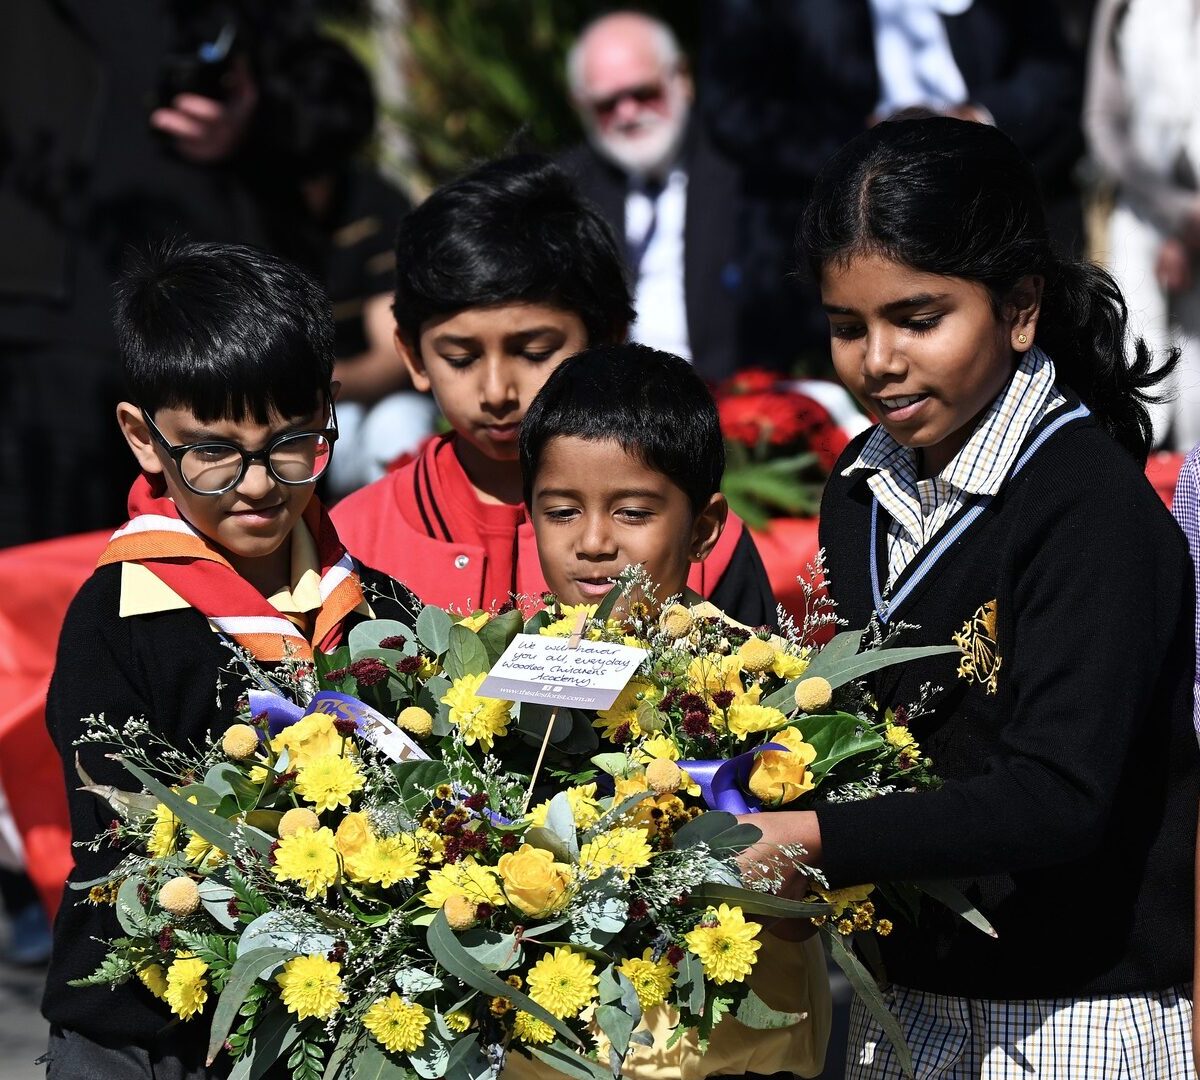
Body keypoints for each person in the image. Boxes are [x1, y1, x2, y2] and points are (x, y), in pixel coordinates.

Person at [739, 118, 1197, 1077]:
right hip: (908, 1008)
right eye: (846, 325)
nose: (878, 362)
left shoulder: (1091, 510)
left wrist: (817, 839)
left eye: (919, 318)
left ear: (1021, 307)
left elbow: (1058, 796)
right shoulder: (859, 489)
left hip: (1077, 1016)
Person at [41, 241, 421, 1079]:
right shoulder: (115, 620)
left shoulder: (383, 607)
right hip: (142, 1032)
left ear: (330, 412)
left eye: (291, 442)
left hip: (328, 1024)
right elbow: (128, 850)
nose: (256, 485)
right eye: (212, 450)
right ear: (145, 439)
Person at [514, 341, 830, 1079]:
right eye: (561, 510)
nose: (593, 543)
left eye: (631, 512)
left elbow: (813, 906)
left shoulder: (759, 686)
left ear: (704, 527)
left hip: (733, 1058)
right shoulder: (505, 674)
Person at [331, 155, 778, 628]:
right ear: (414, 356)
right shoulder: (356, 539)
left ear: (608, 336)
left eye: (535, 351)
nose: (497, 391)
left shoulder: (695, 537)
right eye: (460, 358)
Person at [251, 32, 435, 495]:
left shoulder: (378, 204)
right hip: (300, 405)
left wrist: (315, 388)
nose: (310, 190)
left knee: (394, 433)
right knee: (337, 436)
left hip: (356, 394)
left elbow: (392, 353)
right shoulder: (252, 211)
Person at [561, 12, 751, 382]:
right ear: (580, 106)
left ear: (681, 77)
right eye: (607, 104)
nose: (628, 113)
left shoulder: (743, 169)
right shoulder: (569, 190)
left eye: (644, 94)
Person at [1085, 0, 1200, 451]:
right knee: (1138, 378)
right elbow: (1102, 121)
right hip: (1142, 217)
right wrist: (1177, 215)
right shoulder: (1120, 7)